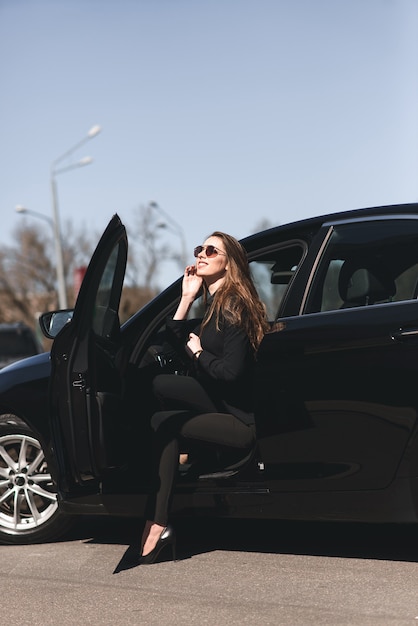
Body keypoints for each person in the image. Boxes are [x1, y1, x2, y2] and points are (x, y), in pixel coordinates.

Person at [139, 231, 270, 564]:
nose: (201, 254)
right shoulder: (215, 305)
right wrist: (185, 299)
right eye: (200, 248)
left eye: (212, 250)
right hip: (222, 404)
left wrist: (198, 355)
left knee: (162, 422)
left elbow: (230, 373)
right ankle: (185, 457)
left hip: (242, 422)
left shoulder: (233, 306)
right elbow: (175, 344)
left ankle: (158, 523)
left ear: (229, 263)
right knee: (161, 385)